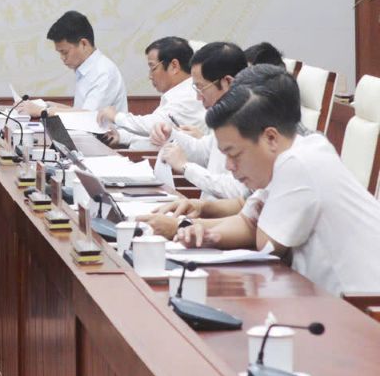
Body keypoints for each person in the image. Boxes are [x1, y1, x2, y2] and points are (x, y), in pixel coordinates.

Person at [176, 65, 380, 295]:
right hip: (328, 300)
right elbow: (247, 222)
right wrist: (209, 234)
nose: (229, 166)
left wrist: (250, 220)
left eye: (235, 155)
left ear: (270, 137)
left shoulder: (299, 160)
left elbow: (265, 242)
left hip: (366, 310)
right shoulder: (287, 157)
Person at [143, 42, 252, 237]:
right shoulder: (224, 117)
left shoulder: (248, 123)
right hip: (204, 215)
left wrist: (185, 167)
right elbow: (203, 151)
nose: (198, 97)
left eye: (201, 87)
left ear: (228, 82)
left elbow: (236, 191)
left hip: (222, 226)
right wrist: (172, 134)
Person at [97, 37, 205, 149]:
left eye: (153, 68)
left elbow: (153, 125)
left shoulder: (189, 95)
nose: (150, 76)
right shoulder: (175, 94)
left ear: (174, 66)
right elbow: (155, 136)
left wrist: (116, 116)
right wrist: (121, 136)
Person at [40, 11, 126, 113]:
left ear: (83, 44)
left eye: (65, 52)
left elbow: (87, 117)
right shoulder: (86, 69)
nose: (62, 58)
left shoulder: (103, 72)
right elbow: (80, 111)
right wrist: (47, 105)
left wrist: (42, 111)